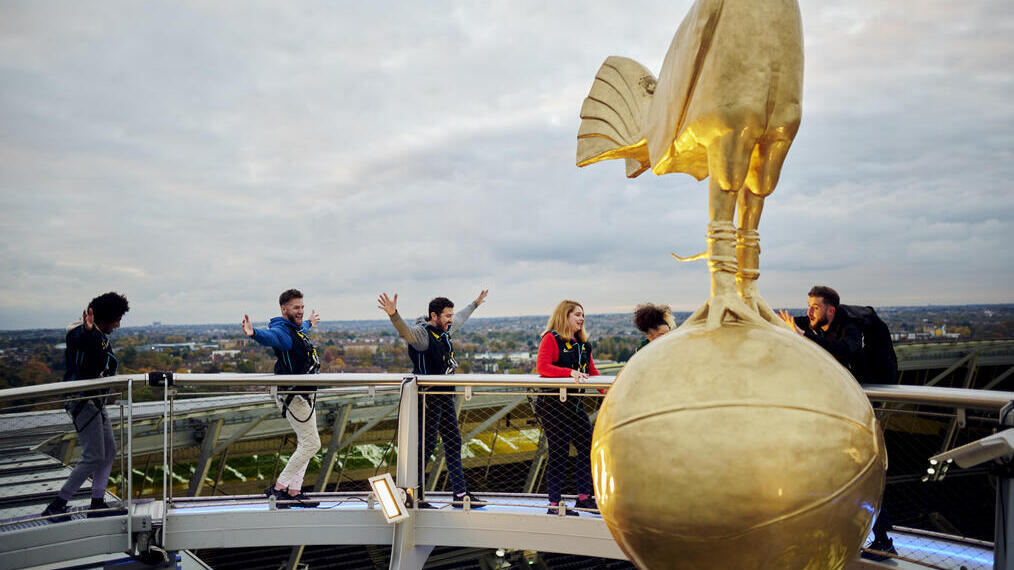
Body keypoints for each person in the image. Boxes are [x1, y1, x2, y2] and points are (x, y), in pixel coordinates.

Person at [778, 285, 897, 560]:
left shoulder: (851, 326)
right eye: (808, 305)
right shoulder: (813, 322)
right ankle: (876, 536)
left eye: (815, 307)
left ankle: (881, 538)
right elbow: (791, 324)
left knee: (856, 466)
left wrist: (805, 335)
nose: (809, 312)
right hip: (845, 399)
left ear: (831, 310)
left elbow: (847, 350)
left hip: (864, 397)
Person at [377, 290, 488, 508]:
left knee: (453, 442)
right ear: (434, 316)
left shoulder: (444, 329)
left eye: (451, 316)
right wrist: (394, 315)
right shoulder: (422, 334)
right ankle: (414, 496)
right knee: (426, 446)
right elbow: (405, 333)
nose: (451, 320)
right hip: (428, 397)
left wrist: (475, 303)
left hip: (444, 395)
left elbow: (461, 318)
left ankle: (460, 494)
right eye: (447, 316)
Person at [42, 292, 130, 523]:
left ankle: (97, 503)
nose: (119, 324)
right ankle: (57, 505)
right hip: (83, 401)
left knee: (109, 450)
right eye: (116, 319)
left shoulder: (97, 335)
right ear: (104, 318)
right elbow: (81, 341)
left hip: (93, 401)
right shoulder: (83, 333)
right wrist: (88, 330)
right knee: (93, 456)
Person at [242, 289, 322, 508]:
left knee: (307, 442)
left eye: (302, 307)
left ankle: (294, 491)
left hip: (302, 393)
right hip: (292, 394)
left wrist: (309, 322)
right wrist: (254, 333)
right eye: (296, 308)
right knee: (312, 443)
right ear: (284, 309)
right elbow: (273, 338)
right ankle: (279, 490)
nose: (301, 311)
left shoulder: (295, 329)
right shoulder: (283, 332)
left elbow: (301, 328)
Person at [535, 300, 600, 515]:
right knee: (559, 453)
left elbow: (592, 372)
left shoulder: (583, 345)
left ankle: (583, 498)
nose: (582, 319)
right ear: (565, 316)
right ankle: (554, 504)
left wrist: (611, 392)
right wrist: (569, 373)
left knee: (587, 449)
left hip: (575, 406)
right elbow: (543, 367)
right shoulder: (551, 339)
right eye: (577, 315)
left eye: (583, 315)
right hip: (553, 407)